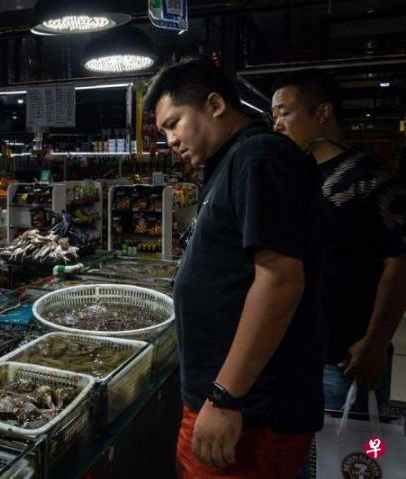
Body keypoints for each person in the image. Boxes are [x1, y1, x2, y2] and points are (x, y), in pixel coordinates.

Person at [143, 57, 325, 478]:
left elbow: (280, 280)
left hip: (250, 412)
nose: (169, 140)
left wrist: (226, 397)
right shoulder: (232, 162)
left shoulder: (259, 156)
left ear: (215, 104)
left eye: (174, 123)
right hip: (232, 404)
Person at [272, 69, 406, 412]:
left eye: (285, 113)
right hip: (298, 351)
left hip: (348, 356)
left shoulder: (370, 176)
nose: (277, 125)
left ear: (322, 113)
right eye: (273, 116)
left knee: (358, 455)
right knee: (308, 460)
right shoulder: (295, 179)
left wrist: (375, 343)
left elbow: (399, 262)